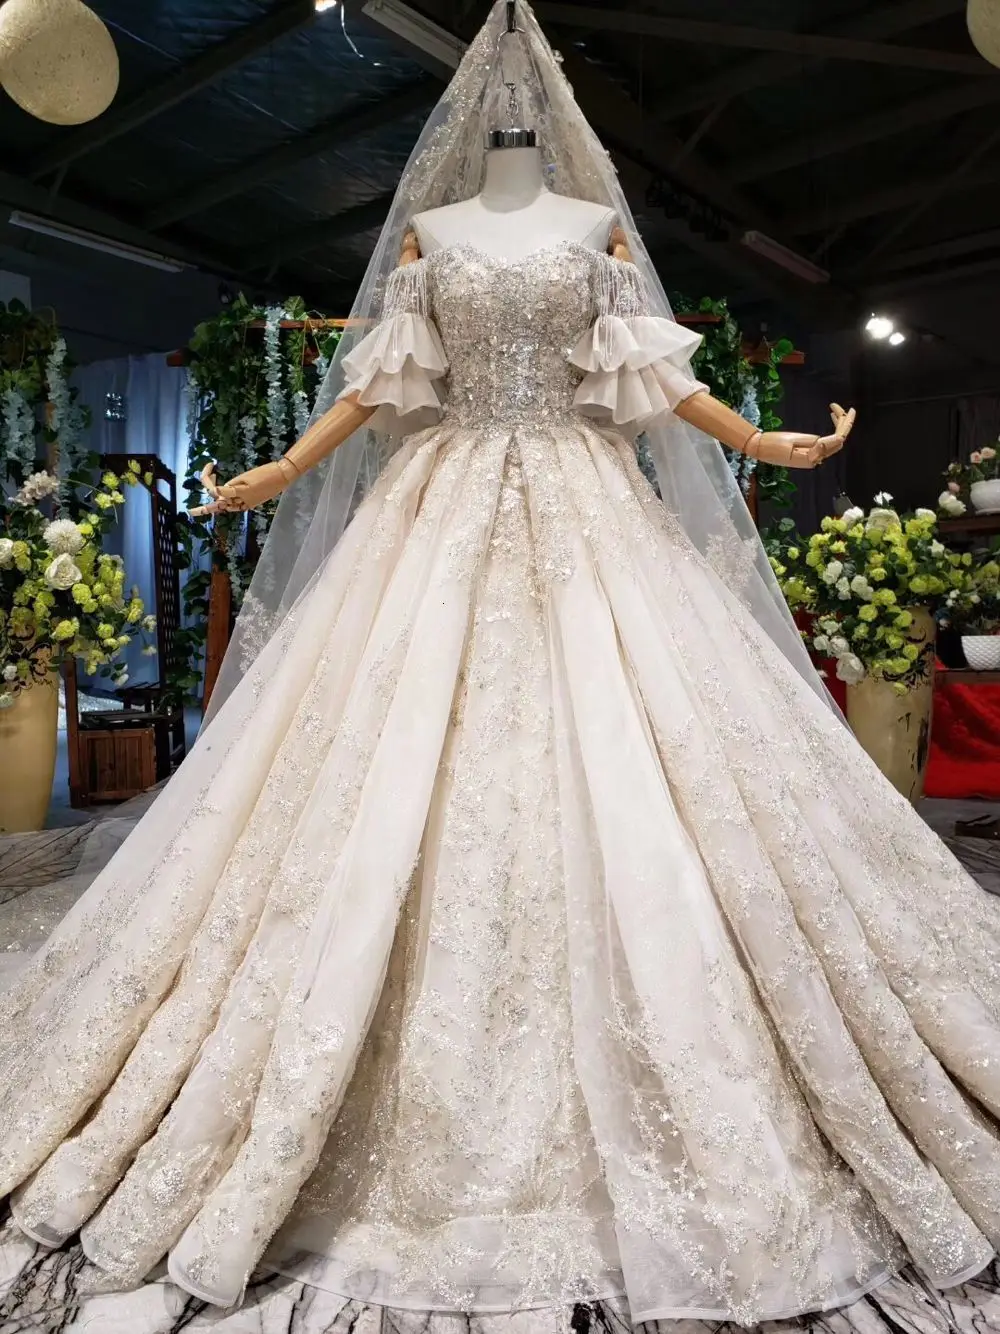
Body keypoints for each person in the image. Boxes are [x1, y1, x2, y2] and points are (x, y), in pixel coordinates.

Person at [1, 3, 998, 1327]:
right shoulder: (430, 236)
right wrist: (286, 466)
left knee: (647, 752)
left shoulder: (594, 236)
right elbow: (378, 388)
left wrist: (767, 445)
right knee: (381, 752)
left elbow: (653, 385)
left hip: (590, 509)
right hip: (439, 506)